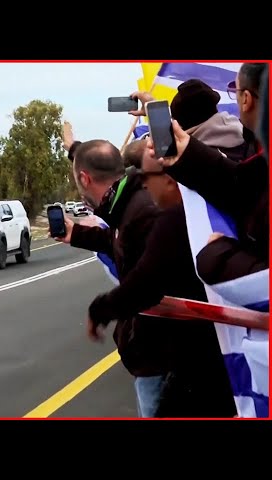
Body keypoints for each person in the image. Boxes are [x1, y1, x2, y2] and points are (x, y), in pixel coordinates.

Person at [86, 145, 236, 417]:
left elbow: (144, 283)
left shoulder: (174, 220)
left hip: (205, 360)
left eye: (146, 178)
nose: (143, 185)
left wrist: (100, 310)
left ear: (170, 178)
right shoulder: (219, 200)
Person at [56, 138, 175, 417]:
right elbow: (119, 240)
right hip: (153, 354)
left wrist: (102, 310)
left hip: (160, 356)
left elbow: (148, 281)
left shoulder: (142, 210)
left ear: (84, 179)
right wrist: (78, 234)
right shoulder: (128, 205)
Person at [146, 62, 268, 284]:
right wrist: (189, 156)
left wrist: (218, 256)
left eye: (236, 91)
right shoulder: (252, 144)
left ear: (247, 99)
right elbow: (245, 188)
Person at [131, 79, 255, 163]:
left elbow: (166, 154)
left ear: (180, 125)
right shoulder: (252, 137)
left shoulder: (193, 161)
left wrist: (154, 109)